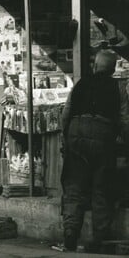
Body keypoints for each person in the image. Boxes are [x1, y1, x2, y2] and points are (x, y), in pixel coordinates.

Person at [59, 50, 129, 253]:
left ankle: (70, 233)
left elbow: (66, 112)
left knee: (74, 187)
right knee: (101, 188)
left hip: (76, 132)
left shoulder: (80, 84)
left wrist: (66, 137)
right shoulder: (118, 88)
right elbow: (125, 119)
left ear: (95, 66)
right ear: (113, 69)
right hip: (102, 135)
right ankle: (100, 239)